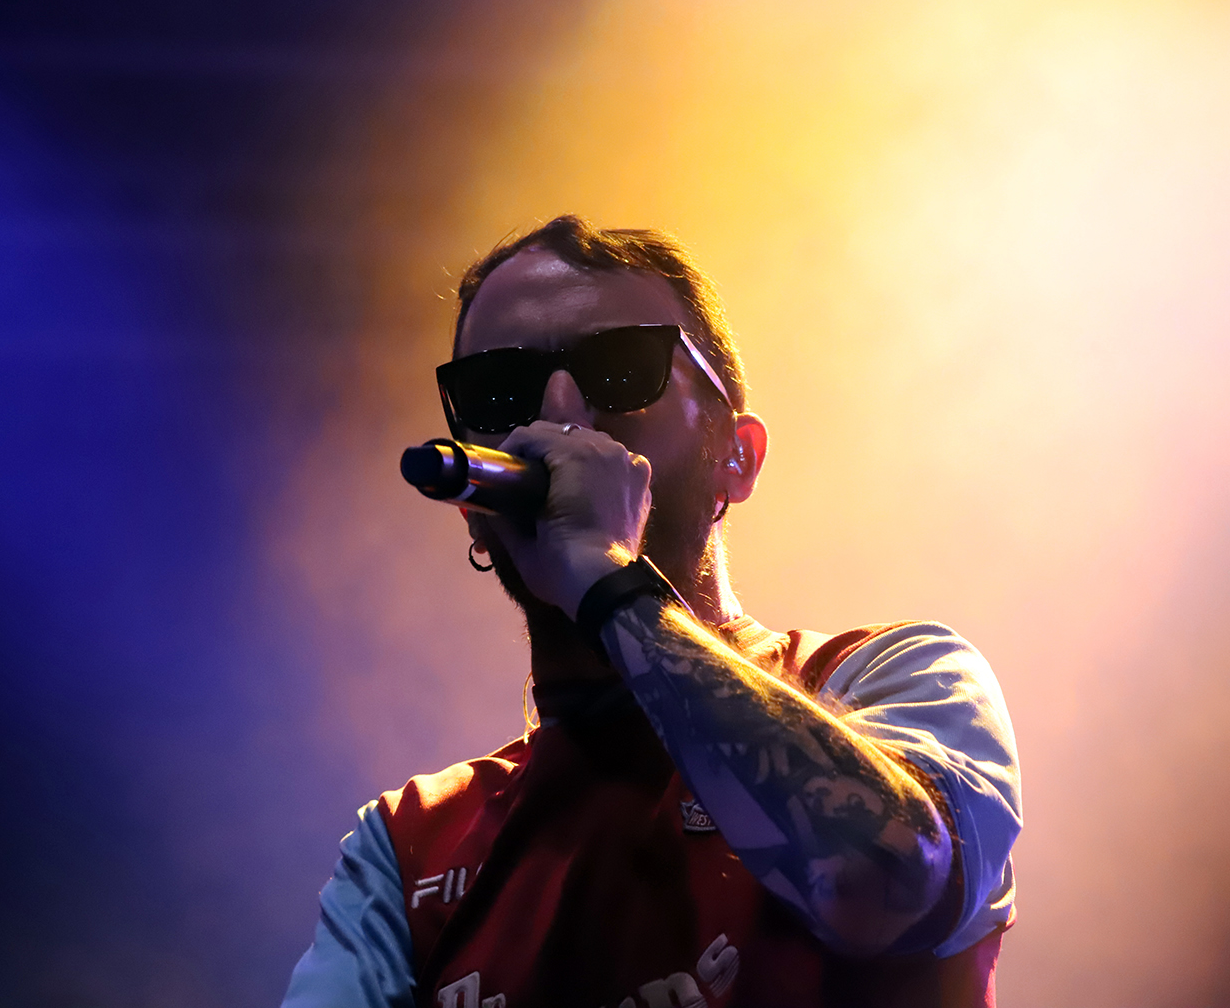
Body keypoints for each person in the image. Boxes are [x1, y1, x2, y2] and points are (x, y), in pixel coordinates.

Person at [281, 216, 1020, 1008]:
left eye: (620, 369)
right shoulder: (405, 850)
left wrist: (607, 579)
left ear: (737, 456)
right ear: (471, 510)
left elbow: (879, 883)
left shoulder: (898, 677)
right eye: (500, 389)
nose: (560, 419)